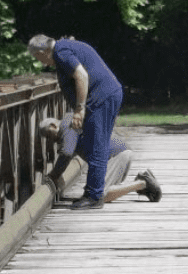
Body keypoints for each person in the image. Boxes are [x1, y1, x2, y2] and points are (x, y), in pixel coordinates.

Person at [28, 34, 127, 209]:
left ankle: (94, 197)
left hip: (100, 98)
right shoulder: (65, 48)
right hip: (107, 95)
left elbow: (81, 75)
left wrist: (79, 109)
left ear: (43, 51)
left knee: (97, 145)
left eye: (37, 57)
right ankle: (91, 193)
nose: (40, 62)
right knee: (94, 143)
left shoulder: (60, 52)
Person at [39, 113, 162, 207]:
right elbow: (67, 156)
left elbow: (66, 154)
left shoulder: (67, 125)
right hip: (119, 152)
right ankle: (141, 183)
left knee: (98, 195)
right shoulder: (70, 125)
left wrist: (53, 175)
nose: (52, 140)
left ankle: (142, 183)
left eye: (49, 135)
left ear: (53, 125)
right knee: (99, 193)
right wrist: (57, 173)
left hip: (116, 155)